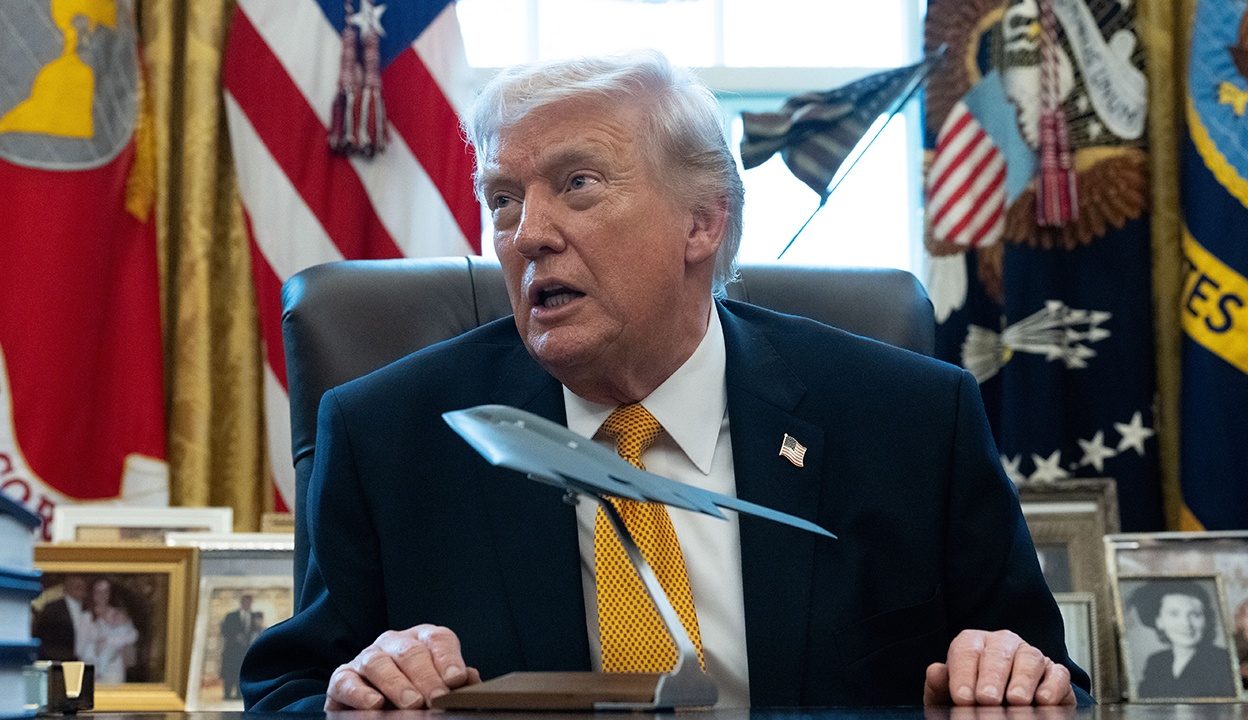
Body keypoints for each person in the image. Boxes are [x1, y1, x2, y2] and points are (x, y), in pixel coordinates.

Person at [240, 50, 1088, 711]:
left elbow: (1052, 683)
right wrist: (360, 691)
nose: (527, 233)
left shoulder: (909, 420)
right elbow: (287, 693)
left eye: (577, 185)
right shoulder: (392, 435)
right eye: (502, 199)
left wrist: (1010, 672)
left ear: (702, 222)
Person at [1131, 580, 1234, 699]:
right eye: (1174, 614)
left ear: (1206, 620)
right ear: (1159, 621)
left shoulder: (1223, 660)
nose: (1186, 624)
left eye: (1195, 614)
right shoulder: (1156, 662)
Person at [77, 577, 139, 684]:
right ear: (92, 593)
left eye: (106, 591)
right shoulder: (86, 617)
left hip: (115, 670)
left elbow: (132, 636)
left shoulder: (120, 614)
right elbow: (79, 649)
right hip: (92, 670)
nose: (102, 595)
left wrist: (110, 641)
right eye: (98, 591)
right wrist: (94, 647)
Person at [32, 575, 89, 662]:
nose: (79, 587)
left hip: (86, 662)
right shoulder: (52, 609)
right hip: (57, 662)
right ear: (66, 585)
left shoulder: (90, 608)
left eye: (82, 585)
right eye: (76, 585)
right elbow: (41, 637)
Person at [221, 595, 256, 700]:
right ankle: (227, 695)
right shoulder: (231, 616)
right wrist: (235, 637)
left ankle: (239, 696)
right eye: (245, 602)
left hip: (245, 653)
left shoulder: (254, 617)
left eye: (249, 602)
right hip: (232, 651)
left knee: (241, 675)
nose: (247, 604)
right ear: (241, 603)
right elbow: (224, 631)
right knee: (229, 675)